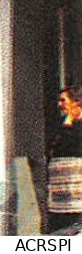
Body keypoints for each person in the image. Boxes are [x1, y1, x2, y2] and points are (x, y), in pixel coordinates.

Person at [50, 86, 82, 233]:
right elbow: (54, 147)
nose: (59, 104)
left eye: (63, 100)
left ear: (75, 102)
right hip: (61, 192)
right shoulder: (61, 123)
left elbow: (71, 144)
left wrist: (69, 120)